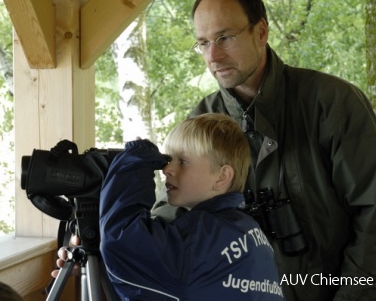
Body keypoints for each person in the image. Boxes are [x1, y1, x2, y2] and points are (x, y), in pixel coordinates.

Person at [151, 0, 376, 301]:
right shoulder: (200, 122)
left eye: (224, 37)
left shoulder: (333, 103)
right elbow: (168, 219)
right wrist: (97, 248)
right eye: (203, 42)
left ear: (261, 32)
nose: (213, 55)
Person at [99, 113, 284, 300]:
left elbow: (121, 241)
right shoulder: (247, 230)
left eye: (183, 161)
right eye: (169, 159)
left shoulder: (200, 236)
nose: (167, 169)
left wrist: (133, 164)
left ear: (221, 177)